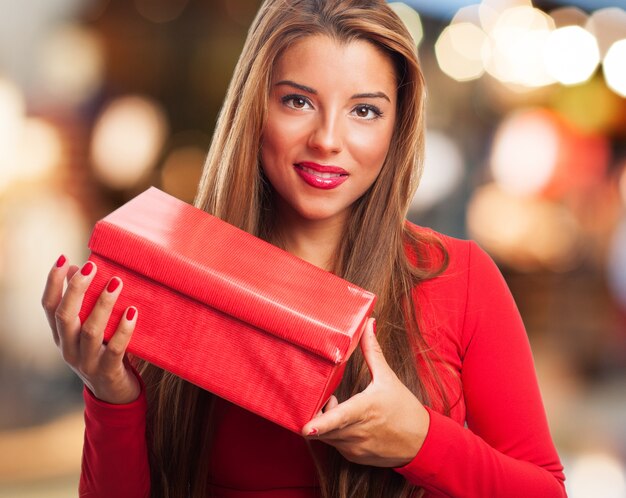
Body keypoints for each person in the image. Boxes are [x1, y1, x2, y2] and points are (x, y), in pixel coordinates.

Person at [41, 0, 567, 496]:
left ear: (397, 127)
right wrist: (110, 393)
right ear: (254, 108)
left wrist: (421, 443)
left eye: (365, 111)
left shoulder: (458, 279)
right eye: (298, 101)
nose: (327, 139)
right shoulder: (178, 273)